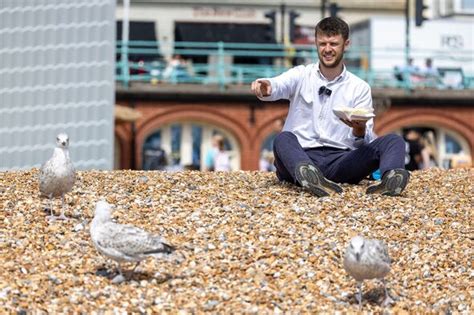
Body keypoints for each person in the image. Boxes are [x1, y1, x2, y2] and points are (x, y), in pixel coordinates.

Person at [251, 17, 409, 197]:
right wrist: (265, 87)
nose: (327, 49)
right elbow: (277, 85)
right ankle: (309, 175)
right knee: (283, 139)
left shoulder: (360, 87)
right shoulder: (301, 74)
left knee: (393, 141)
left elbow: (364, 142)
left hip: (341, 161)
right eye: (322, 43)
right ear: (316, 44)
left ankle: (391, 179)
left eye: (333, 44)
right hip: (301, 154)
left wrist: (359, 129)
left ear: (346, 44)